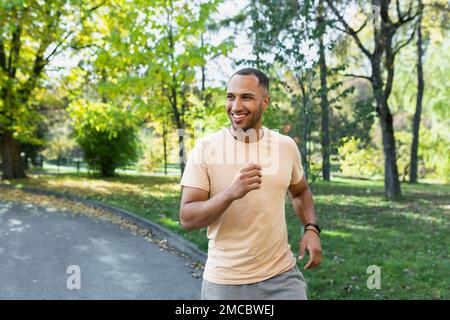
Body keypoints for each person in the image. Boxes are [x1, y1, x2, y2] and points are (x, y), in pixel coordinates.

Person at [179, 68, 322, 300]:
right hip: (225, 282)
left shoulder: (285, 146)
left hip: (282, 277)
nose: (235, 106)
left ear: (265, 102)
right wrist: (230, 194)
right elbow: (187, 217)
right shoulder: (206, 149)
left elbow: (301, 192)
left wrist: (311, 228)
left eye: (246, 97)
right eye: (230, 97)